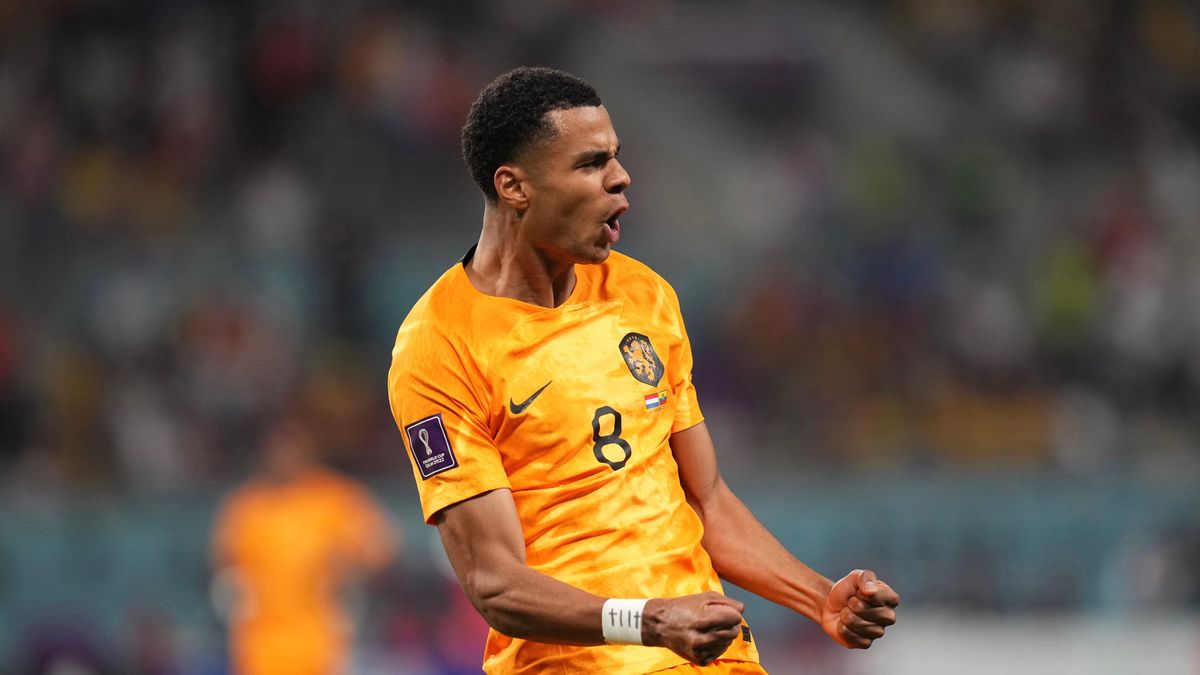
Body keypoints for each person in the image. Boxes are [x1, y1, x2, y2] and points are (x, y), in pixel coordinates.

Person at [387, 66, 898, 674]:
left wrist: (819, 600)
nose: (621, 177)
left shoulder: (643, 294)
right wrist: (648, 620)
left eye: (617, 158)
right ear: (514, 187)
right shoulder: (439, 345)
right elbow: (494, 583)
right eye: (590, 163)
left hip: (714, 659)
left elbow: (705, 500)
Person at [210, 410, 398, 675]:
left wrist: (350, 572)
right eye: (279, 445)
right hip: (260, 645)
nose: (285, 453)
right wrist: (231, 584)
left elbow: (383, 548)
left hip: (324, 642)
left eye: (293, 443)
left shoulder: (334, 498)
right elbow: (221, 561)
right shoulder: (246, 507)